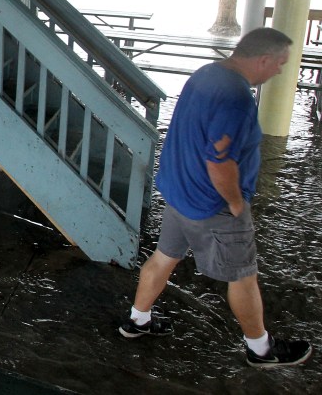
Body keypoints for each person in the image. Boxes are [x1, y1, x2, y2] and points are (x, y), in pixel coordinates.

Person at [119, 27, 312, 369]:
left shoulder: (207, 73)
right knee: (243, 276)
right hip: (211, 203)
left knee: (164, 257)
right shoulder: (236, 98)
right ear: (263, 59)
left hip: (179, 190)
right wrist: (236, 204)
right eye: (280, 63)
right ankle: (261, 350)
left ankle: (137, 321)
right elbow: (219, 161)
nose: (280, 70)